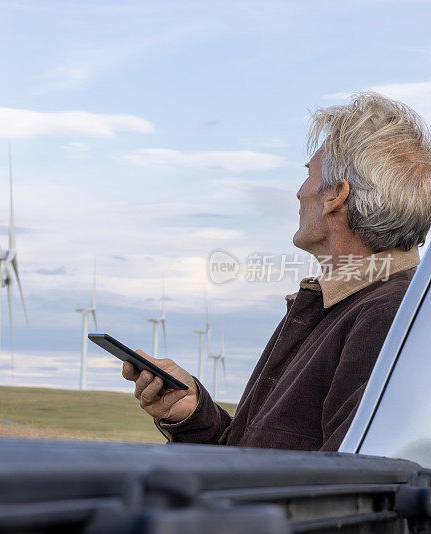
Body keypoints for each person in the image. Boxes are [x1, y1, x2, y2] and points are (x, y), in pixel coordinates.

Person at [123, 93, 431, 451]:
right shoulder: (339, 305)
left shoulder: (387, 316)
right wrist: (191, 414)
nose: (299, 193)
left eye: (308, 175)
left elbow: (338, 489)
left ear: (335, 196)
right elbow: (260, 464)